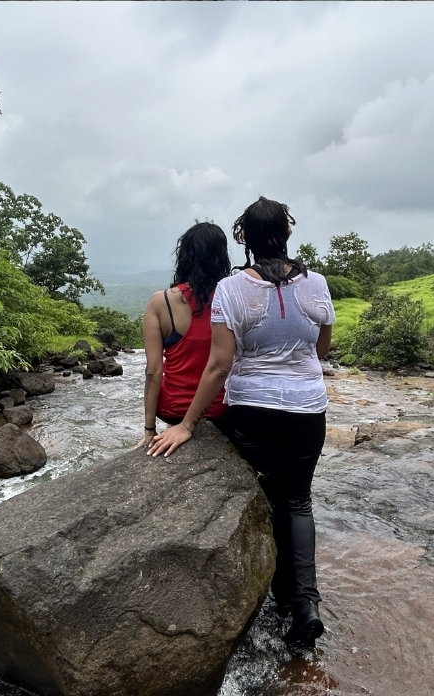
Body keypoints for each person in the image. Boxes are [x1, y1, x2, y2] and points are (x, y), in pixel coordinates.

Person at [148, 196, 335, 648]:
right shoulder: (317, 283)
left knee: (271, 500)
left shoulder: (232, 289)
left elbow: (218, 366)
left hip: (253, 409)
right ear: (287, 233)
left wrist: (186, 424)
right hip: (308, 409)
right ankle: (304, 603)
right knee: (299, 502)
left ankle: (279, 593)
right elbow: (321, 349)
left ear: (244, 237)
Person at [138, 222, 231, 449]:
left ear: (184, 256)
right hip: (221, 408)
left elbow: (153, 372)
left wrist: (149, 429)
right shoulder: (232, 298)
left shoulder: (160, 302)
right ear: (221, 258)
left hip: (172, 408)